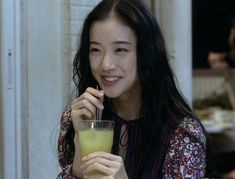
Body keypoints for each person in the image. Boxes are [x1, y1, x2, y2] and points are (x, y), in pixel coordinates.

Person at [57, 0, 207, 178]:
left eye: (120, 49)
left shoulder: (182, 135)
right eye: (96, 50)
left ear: (146, 53)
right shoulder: (76, 117)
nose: (106, 65)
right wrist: (80, 144)